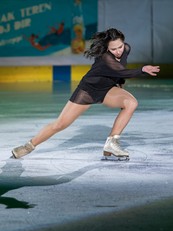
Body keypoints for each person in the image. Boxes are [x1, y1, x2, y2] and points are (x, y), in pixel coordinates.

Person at [12, 28, 160, 160]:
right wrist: (142, 70)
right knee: (60, 125)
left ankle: (112, 143)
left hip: (107, 89)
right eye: (113, 49)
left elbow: (120, 69)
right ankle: (28, 146)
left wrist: (119, 84)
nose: (118, 51)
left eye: (120, 46)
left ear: (124, 43)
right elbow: (120, 71)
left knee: (131, 103)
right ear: (107, 48)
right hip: (87, 91)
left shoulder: (126, 48)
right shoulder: (105, 57)